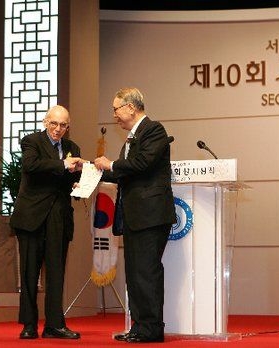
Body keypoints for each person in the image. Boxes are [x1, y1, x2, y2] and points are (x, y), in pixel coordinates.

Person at [94, 87, 176, 343]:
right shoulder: (131, 137)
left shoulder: (153, 130)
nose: (114, 115)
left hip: (150, 215)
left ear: (131, 107)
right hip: (134, 216)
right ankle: (140, 327)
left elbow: (142, 164)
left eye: (116, 108)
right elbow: (121, 173)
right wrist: (87, 172)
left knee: (146, 272)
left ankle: (151, 329)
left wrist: (111, 164)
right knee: (135, 274)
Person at [10, 105, 82, 340]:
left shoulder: (73, 148)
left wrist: (80, 182)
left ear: (68, 127)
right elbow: (31, 166)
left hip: (59, 217)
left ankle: (54, 325)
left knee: (56, 273)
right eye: (54, 123)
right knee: (30, 273)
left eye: (63, 125)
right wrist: (63, 165)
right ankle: (29, 324)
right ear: (45, 122)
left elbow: (71, 180)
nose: (58, 129)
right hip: (32, 217)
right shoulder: (31, 141)